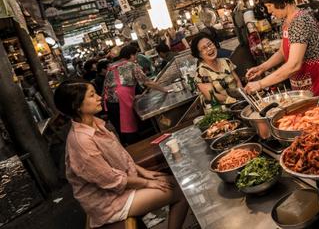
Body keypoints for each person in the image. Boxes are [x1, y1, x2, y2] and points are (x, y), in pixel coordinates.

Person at [54, 79, 188, 228]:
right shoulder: (82, 142)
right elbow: (110, 180)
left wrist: (144, 172)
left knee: (176, 180)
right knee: (181, 191)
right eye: (92, 95)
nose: (99, 97)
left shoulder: (96, 123)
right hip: (108, 203)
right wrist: (146, 182)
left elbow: (121, 155)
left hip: (120, 189)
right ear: (77, 106)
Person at [244, 0, 319, 96]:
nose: (269, 11)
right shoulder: (286, 20)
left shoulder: (300, 20)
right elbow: (282, 52)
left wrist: (260, 84)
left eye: (269, 5)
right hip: (302, 86)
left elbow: (294, 65)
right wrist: (262, 68)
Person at [103, 44, 168, 145]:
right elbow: (147, 82)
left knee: (121, 130)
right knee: (129, 130)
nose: (136, 58)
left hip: (110, 103)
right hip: (121, 101)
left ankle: (129, 147)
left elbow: (111, 85)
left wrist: (133, 97)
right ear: (131, 55)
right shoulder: (131, 65)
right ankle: (138, 148)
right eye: (136, 55)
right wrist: (165, 90)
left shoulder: (112, 66)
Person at [191, 34, 242, 105]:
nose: (209, 49)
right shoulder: (202, 72)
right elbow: (210, 96)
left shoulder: (226, 61)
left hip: (239, 101)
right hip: (220, 109)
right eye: (204, 48)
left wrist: (242, 94)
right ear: (199, 54)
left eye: (210, 44)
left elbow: (237, 80)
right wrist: (231, 100)